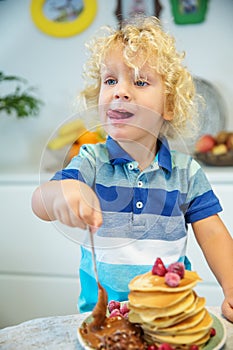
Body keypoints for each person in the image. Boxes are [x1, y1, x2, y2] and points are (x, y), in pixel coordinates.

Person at [31, 15, 233, 322]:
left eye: (140, 81)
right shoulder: (91, 161)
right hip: (102, 319)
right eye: (110, 80)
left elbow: (214, 235)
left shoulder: (187, 173)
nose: (120, 91)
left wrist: (231, 286)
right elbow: (41, 204)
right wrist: (63, 191)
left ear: (169, 106)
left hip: (171, 316)